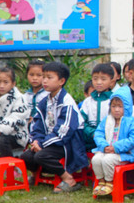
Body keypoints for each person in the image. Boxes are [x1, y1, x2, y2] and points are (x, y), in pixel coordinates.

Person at [21, 62, 87, 193]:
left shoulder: (67, 102)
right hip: (49, 141)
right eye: (43, 77)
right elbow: (36, 124)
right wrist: (36, 141)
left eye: (49, 77)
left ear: (61, 81)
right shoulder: (45, 101)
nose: (44, 81)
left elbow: (64, 132)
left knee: (41, 155)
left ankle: (69, 179)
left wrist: (43, 144)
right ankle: (35, 176)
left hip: (68, 144)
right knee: (26, 156)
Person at [91, 87, 134, 196]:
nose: (116, 109)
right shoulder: (107, 120)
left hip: (124, 154)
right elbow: (98, 133)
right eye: (114, 106)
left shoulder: (132, 122)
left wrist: (116, 147)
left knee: (107, 160)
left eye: (120, 106)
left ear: (127, 107)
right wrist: (104, 146)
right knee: (96, 159)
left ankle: (110, 183)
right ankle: (101, 181)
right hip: (107, 150)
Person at [80, 63, 115, 150]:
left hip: (109, 142)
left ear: (111, 81)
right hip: (89, 141)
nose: (99, 82)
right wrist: (92, 133)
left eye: (103, 79)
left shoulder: (114, 100)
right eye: (95, 79)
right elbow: (81, 121)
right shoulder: (88, 101)